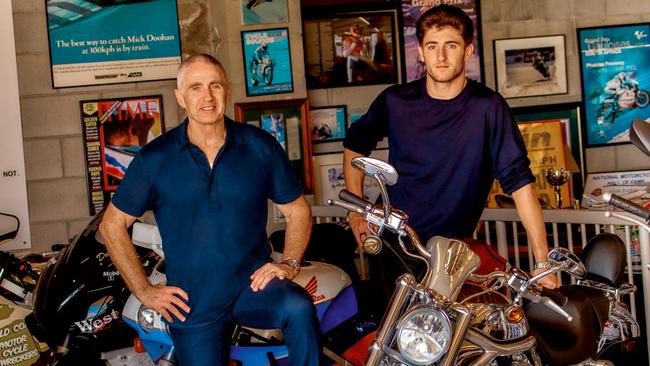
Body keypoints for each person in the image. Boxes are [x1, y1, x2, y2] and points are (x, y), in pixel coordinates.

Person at [99, 54, 321, 365]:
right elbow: (111, 226)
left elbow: (298, 210)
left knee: (298, 308)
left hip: (252, 284)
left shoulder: (259, 145)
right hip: (192, 300)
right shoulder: (155, 158)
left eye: (214, 85)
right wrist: (145, 291)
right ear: (181, 97)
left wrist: (290, 263)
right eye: (196, 88)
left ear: (227, 90)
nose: (207, 96)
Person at [342, 5, 559, 298]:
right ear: (420, 51)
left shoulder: (488, 107)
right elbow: (355, 145)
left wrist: (542, 261)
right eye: (432, 46)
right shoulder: (395, 102)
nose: (441, 57)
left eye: (451, 46)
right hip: (396, 245)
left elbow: (520, 184)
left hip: (455, 254)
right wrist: (357, 210)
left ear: (468, 51)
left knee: (459, 338)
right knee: (393, 339)